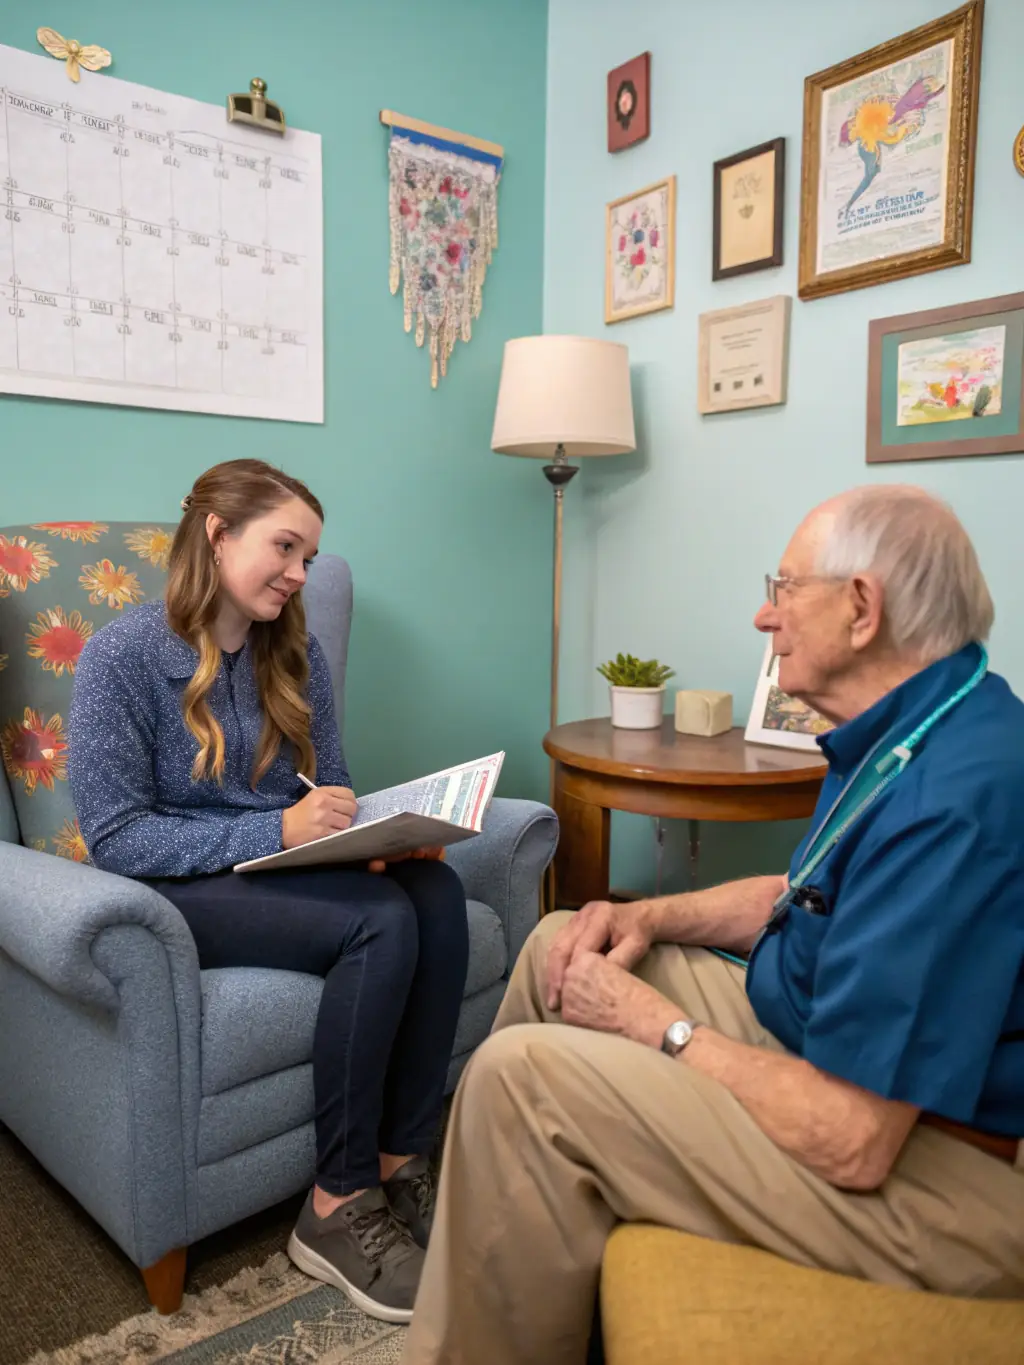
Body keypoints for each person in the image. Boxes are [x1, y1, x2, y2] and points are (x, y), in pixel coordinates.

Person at [402, 484, 1024, 1365]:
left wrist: (656, 1024)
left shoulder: (953, 803)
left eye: (785, 586)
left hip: (946, 1168)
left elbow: (852, 1138)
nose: (765, 614)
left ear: (861, 608)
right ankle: (513, 1262)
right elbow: (806, 888)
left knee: (520, 1082)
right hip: (837, 1048)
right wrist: (644, 912)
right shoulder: (916, 726)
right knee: (562, 938)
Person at [68, 458, 469, 1325]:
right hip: (178, 890)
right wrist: (277, 833)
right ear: (218, 533)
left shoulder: (297, 652)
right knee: (379, 925)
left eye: (308, 558)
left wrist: (370, 839)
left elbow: (334, 785)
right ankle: (335, 1203)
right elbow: (117, 840)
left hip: (279, 869)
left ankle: (403, 1161)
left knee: (430, 895)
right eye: (284, 547)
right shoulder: (121, 657)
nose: (298, 574)